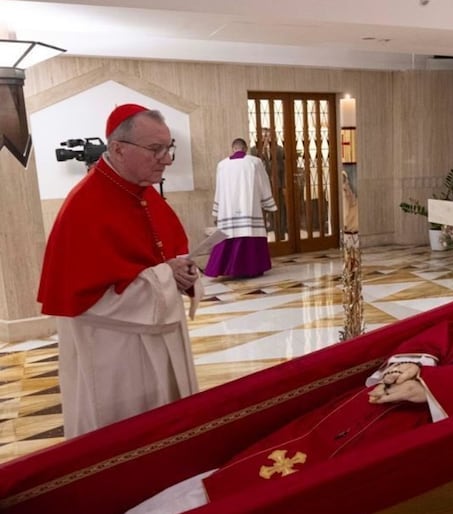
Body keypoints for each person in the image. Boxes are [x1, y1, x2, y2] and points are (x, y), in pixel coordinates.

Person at [128, 304, 453, 513]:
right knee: (274, 451)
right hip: (369, 404)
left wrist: (433, 387)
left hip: (410, 429)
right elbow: (452, 333)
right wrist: (411, 364)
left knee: (303, 486)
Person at [37, 103, 200, 438]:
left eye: (168, 148)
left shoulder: (144, 192)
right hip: (116, 348)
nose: (167, 159)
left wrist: (184, 273)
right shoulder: (84, 205)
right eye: (155, 149)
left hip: (161, 334)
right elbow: (89, 301)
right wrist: (165, 276)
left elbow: (169, 254)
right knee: (129, 434)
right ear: (118, 148)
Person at [205, 138, 278, 278]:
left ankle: (226, 269)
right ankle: (251, 268)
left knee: (228, 234)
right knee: (249, 232)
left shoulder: (222, 165)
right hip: (248, 205)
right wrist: (267, 202)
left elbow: (219, 188)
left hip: (228, 208)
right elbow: (263, 182)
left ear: (233, 149)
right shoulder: (254, 162)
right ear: (246, 148)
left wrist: (217, 209)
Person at [251, 128, 287, 239]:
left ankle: (280, 234)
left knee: (278, 210)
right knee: (261, 211)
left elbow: (284, 168)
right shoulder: (253, 151)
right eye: (263, 135)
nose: (266, 138)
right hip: (260, 186)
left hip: (276, 184)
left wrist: (284, 185)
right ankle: (262, 235)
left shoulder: (279, 150)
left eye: (268, 135)